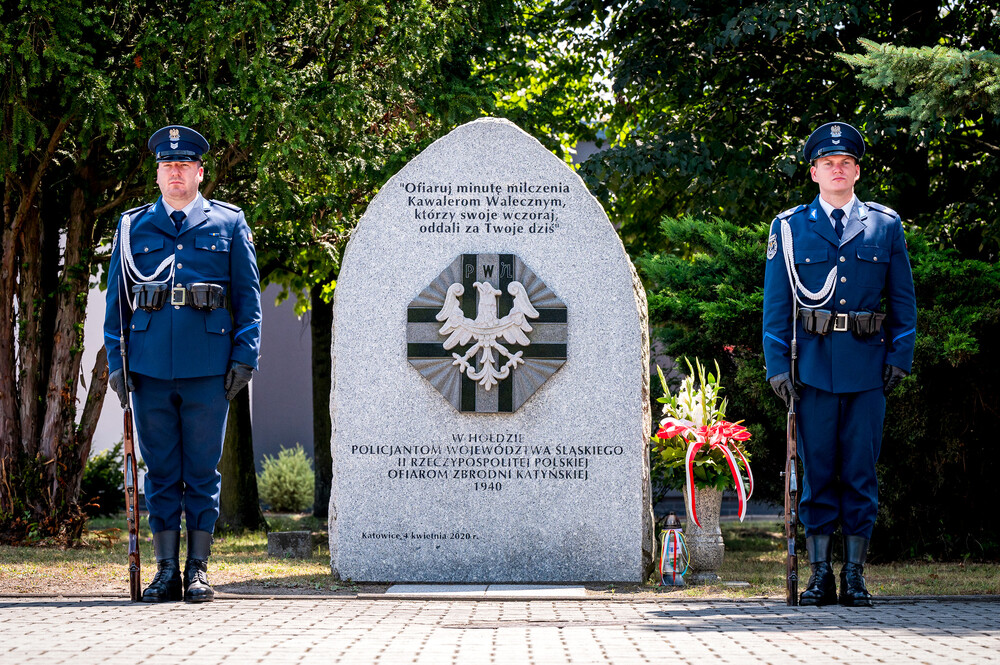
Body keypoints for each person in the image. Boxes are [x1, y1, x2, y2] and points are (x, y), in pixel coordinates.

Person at [105, 125, 262, 603]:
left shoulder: (229, 225)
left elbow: (247, 299)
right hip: (149, 369)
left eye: (183, 165)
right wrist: (117, 360)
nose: (175, 173)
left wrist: (245, 358)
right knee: (161, 472)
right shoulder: (134, 227)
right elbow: (117, 304)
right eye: (167, 166)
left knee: (202, 472)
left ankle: (197, 570)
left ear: (199, 171)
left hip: (208, 369)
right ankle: (165, 571)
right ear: (157, 175)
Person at [762, 121, 916, 607]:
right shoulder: (788, 228)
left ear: (855, 170)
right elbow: (776, 305)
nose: (838, 169)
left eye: (845, 162)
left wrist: (900, 356)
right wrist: (777, 366)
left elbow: (903, 302)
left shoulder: (885, 225)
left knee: (860, 473)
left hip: (868, 369)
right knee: (818, 472)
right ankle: (818, 577)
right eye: (828, 163)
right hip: (811, 370)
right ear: (813, 172)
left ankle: (854, 577)